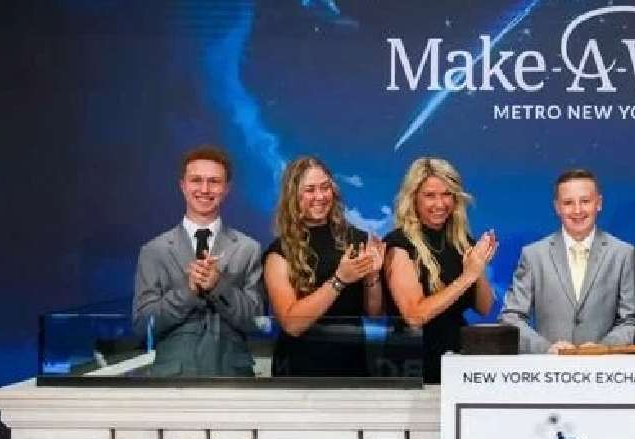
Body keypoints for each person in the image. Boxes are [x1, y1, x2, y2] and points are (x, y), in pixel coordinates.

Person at [132, 145, 263, 377]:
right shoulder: (154, 251)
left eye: (214, 181)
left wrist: (219, 286)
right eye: (196, 180)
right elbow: (143, 325)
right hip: (173, 381)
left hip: (231, 378)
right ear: (182, 186)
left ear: (227, 189)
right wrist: (188, 291)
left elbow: (255, 321)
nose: (204, 189)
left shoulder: (248, 249)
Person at [262, 156, 385, 376]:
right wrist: (339, 280)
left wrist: (373, 277)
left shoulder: (358, 240)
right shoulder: (279, 252)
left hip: (351, 364)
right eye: (310, 190)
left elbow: (374, 314)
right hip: (299, 368)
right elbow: (292, 324)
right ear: (293, 196)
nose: (319, 196)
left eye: (325, 187)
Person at [500, 169, 635, 354]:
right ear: (557, 207)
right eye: (568, 203)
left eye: (585, 201)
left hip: (605, 373)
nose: (577, 210)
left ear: (599, 203)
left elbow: (631, 321)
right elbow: (511, 318)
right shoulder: (534, 255)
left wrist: (604, 348)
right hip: (548, 373)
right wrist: (545, 348)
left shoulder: (623, 254)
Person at [384, 157, 497, 383]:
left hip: (458, 360)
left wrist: (478, 268)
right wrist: (467, 277)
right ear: (413, 198)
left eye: (447, 195)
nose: (440, 204)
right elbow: (414, 315)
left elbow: (484, 307)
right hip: (413, 363)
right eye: (430, 196)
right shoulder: (399, 245)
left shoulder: (460, 240)